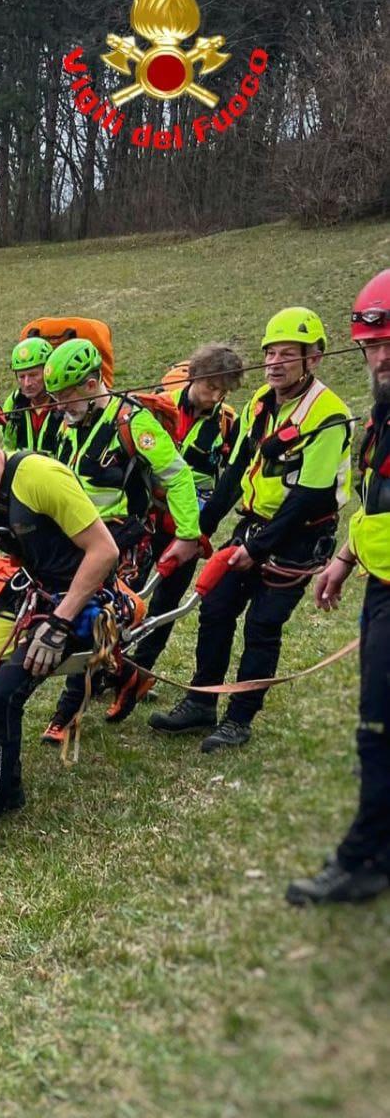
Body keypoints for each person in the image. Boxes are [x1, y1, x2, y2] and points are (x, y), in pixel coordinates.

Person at [0, 381, 119, 858]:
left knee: (0, 695)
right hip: (31, 599)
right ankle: (6, 785)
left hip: (84, 598)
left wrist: (60, 622)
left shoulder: (38, 475)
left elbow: (104, 551)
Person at [150, 308, 351, 752]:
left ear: (313, 359)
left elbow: (308, 498)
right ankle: (202, 702)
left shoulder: (328, 414)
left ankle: (239, 719)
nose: (276, 363)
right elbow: (236, 470)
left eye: (287, 355)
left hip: (299, 535)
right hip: (256, 523)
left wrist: (256, 549)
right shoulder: (261, 402)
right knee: (216, 608)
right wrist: (195, 532)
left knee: (262, 624)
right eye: (270, 354)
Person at [39, 338, 201, 743]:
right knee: (81, 617)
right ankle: (129, 675)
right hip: (75, 534)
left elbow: (177, 475)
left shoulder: (133, 423)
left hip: (121, 537)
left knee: (91, 618)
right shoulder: (67, 422)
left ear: (93, 384)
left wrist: (187, 534)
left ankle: (67, 713)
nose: (60, 405)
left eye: (66, 395)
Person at [287, 274, 390, 905]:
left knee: (377, 730)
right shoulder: (380, 420)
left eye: (389, 344)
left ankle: (363, 859)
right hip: (379, 586)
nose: (380, 358)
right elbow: (376, 503)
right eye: (370, 345)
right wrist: (346, 559)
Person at [107, 343, 243, 721]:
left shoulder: (227, 422)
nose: (214, 396)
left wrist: (200, 527)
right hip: (147, 519)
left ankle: (139, 672)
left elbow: (230, 480)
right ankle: (109, 664)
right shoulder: (156, 407)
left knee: (167, 602)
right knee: (125, 591)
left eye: (222, 390)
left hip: (189, 526)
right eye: (209, 386)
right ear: (194, 375)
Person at [2, 336, 62, 454]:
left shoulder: (64, 402)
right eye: (21, 377)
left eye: (33, 375)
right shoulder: (14, 403)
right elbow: (8, 447)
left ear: (48, 371)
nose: (27, 383)